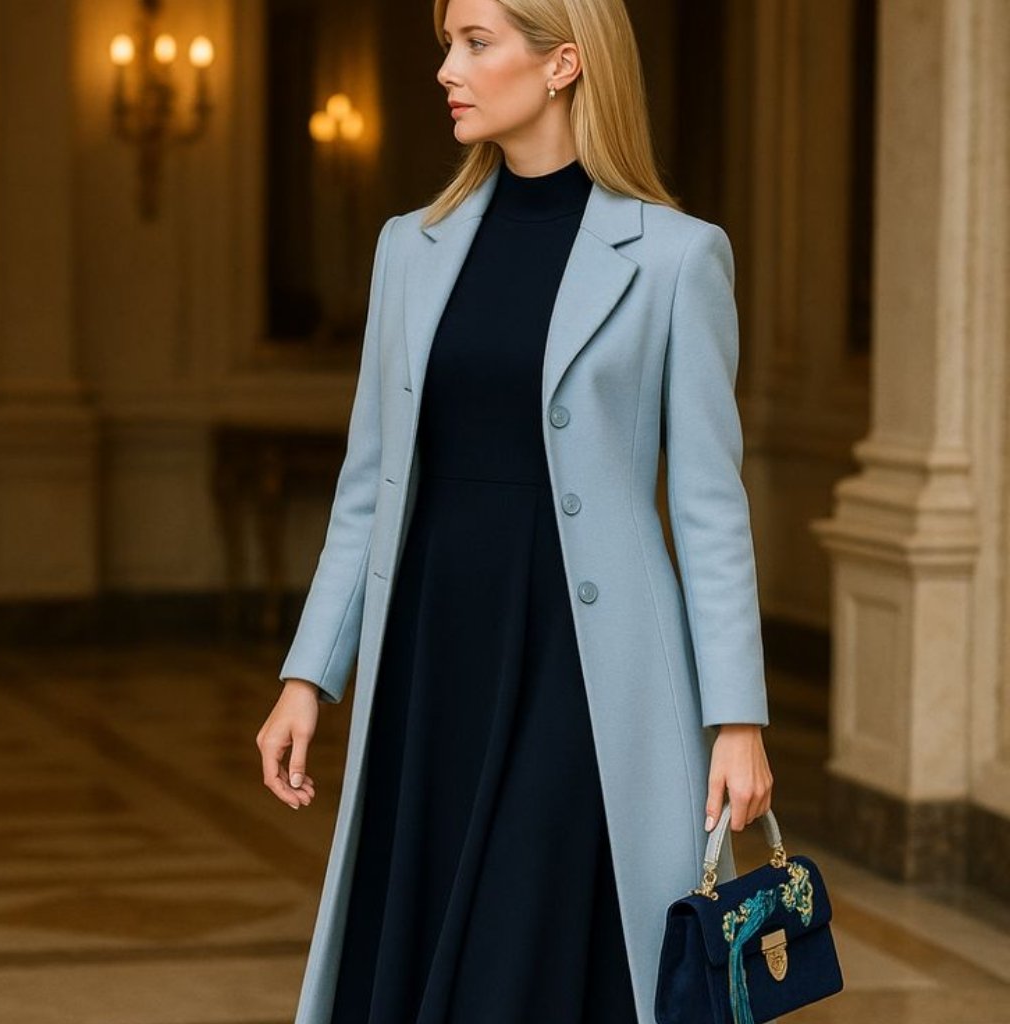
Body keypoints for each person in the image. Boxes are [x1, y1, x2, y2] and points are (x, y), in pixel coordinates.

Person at [256, 0, 774, 1020]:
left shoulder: (676, 258)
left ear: (562, 65)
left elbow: (711, 506)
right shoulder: (410, 247)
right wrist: (308, 674)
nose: (447, 67)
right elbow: (368, 488)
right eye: (446, 43)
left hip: (585, 675)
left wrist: (739, 717)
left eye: (475, 42)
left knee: (523, 956)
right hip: (433, 660)